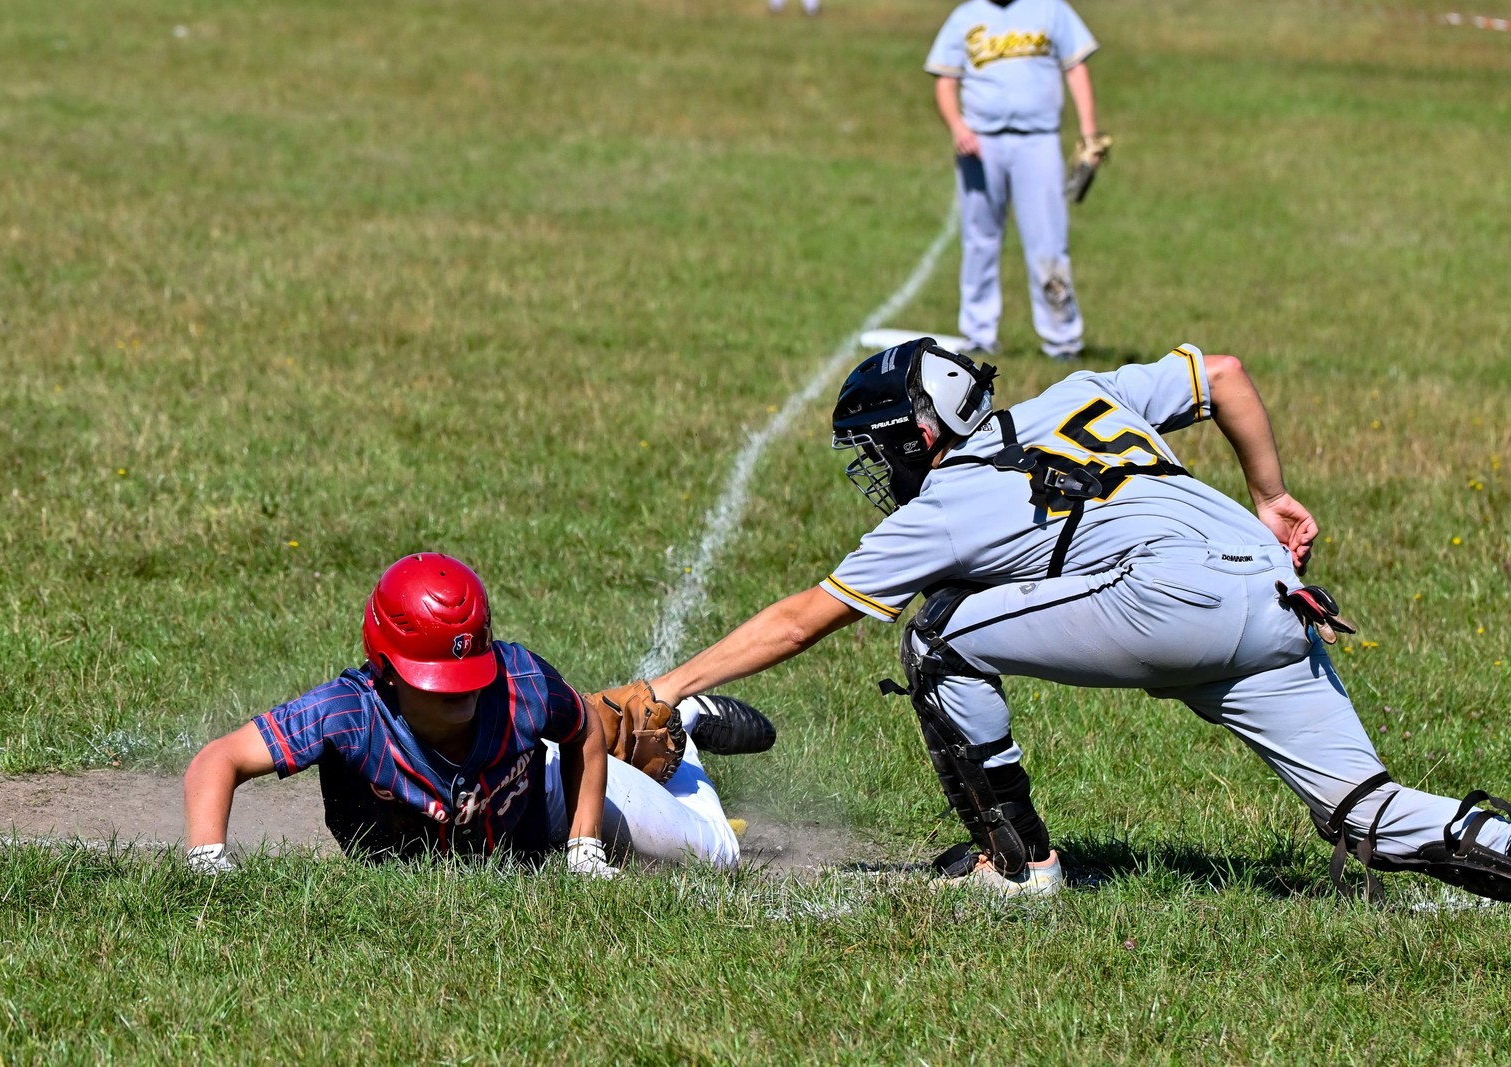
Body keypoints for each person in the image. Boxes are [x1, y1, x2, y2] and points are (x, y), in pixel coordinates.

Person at [646, 337, 1511, 902]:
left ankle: (1020, 867)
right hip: (1279, 595)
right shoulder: (1083, 391)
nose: (877, 467)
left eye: (880, 447)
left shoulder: (947, 500)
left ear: (917, 436)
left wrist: (665, 686)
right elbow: (1226, 375)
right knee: (1368, 811)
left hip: (1172, 596)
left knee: (937, 634)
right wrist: (1271, 494)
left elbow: (804, 617)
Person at [184, 552, 774, 875]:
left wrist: (583, 844)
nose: (461, 695)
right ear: (385, 671)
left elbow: (583, 729)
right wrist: (208, 861)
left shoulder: (519, 679)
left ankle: (684, 725)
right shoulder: (347, 712)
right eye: (438, 685)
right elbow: (218, 761)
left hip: (543, 799)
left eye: (470, 678)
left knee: (715, 857)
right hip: (490, 833)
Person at [924, 0, 1103, 361]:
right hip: (980, 143)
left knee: (1049, 241)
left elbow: (1076, 68)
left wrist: (1089, 135)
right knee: (979, 240)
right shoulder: (965, 16)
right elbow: (945, 83)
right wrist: (958, 127)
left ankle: (1062, 338)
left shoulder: (1050, 9)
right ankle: (978, 334)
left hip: (1038, 139)